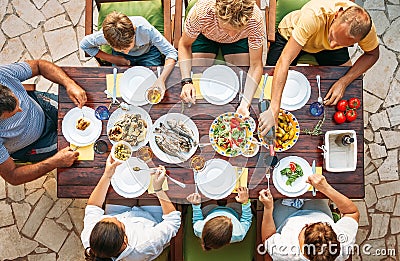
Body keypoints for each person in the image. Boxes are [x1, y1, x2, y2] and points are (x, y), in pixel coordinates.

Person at [259, 0, 379, 137]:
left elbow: (373, 54)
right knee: (268, 81)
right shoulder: (313, 16)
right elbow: (284, 60)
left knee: (344, 93)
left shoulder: (364, 29)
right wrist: (274, 108)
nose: (332, 44)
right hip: (290, 36)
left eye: (341, 43)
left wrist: (344, 81)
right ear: (336, 15)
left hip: (323, 48)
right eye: (333, 36)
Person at [0, 60, 87, 185]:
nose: (21, 109)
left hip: (41, 105)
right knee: (80, 148)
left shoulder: (2, 75)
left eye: (17, 101)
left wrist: (69, 83)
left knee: (85, 112)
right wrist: (55, 162)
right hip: (35, 143)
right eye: (13, 114)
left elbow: (39, 65)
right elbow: (13, 176)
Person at [179, 0, 265, 117]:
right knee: (198, 76)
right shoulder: (201, 12)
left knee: (242, 79)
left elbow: (256, 65)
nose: (230, 34)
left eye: (236, 28)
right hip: (205, 36)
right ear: (216, 13)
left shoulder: (255, 19)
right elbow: (184, 45)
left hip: (239, 40)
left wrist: (245, 104)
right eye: (227, 28)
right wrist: (186, 81)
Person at [81, 159, 181, 260]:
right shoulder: (147, 243)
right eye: (119, 222)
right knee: (151, 176)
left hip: (118, 211)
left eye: (108, 218)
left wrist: (107, 175)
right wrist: (158, 189)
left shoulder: (90, 237)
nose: (116, 218)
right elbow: (173, 222)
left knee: (124, 183)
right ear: (125, 240)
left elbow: (93, 206)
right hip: (150, 219)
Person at [259, 174, 360, 260]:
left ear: (303, 249)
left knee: (281, 195)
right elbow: (352, 212)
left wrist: (268, 208)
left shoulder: (284, 251)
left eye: (306, 228)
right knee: (309, 190)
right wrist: (326, 188)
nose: (308, 223)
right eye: (325, 224)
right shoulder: (343, 243)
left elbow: (268, 237)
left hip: (287, 217)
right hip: (318, 210)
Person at [80, 11, 177, 98]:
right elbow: (84, 45)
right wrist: (113, 59)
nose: (126, 52)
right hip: (119, 57)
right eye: (121, 49)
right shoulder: (103, 36)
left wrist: (161, 79)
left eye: (128, 47)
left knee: (152, 86)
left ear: (134, 30)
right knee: (121, 90)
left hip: (148, 53)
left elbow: (171, 52)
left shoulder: (146, 29)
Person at [186, 187, 252, 250]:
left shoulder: (199, 229)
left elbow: (197, 219)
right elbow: (246, 220)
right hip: (234, 212)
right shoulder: (239, 233)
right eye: (230, 220)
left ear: (206, 224)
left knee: (207, 191)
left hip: (210, 211)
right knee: (235, 191)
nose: (226, 216)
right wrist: (245, 202)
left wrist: (196, 205)